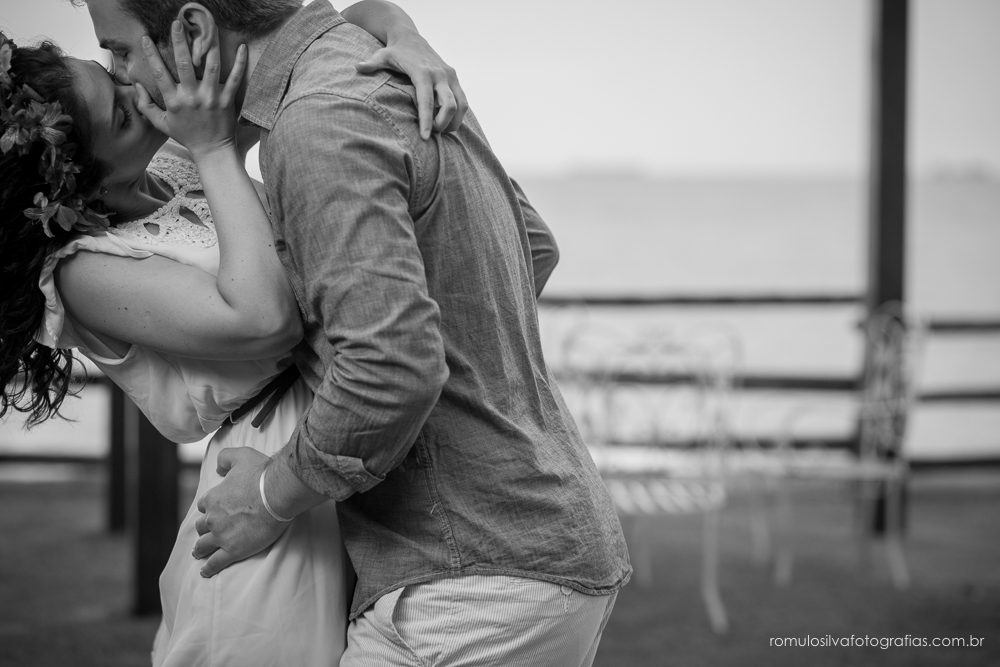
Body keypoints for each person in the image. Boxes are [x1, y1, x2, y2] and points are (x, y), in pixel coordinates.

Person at [88, 0, 633, 665]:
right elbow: (532, 247)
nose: (121, 73)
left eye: (121, 49)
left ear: (194, 31)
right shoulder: (386, 70)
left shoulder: (317, 122)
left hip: (465, 584)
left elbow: (389, 368)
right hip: (541, 534)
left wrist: (268, 496)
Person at [0, 4, 469, 665]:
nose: (135, 86)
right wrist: (216, 149)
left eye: (114, 68)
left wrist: (407, 39)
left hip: (346, 445)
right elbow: (265, 319)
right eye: (121, 115)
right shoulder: (83, 273)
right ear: (77, 182)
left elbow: (305, 38)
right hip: (263, 480)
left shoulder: (176, 160)